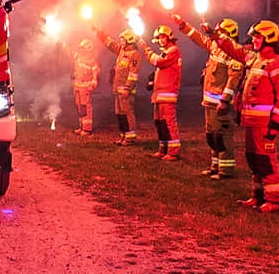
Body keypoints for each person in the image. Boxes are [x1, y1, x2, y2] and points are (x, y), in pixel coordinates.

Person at [212, 20, 279, 213]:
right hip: (251, 121)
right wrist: (216, 36)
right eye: (253, 37)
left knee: (265, 160)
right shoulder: (255, 58)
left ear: (269, 39)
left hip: (264, 124)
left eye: (258, 37)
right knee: (253, 159)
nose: (253, 40)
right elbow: (234, 49)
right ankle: (257, 196)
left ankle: (273, 200)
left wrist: (275, 126)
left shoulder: (277, 64)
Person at [171, 13, 243, 178]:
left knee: (223, 136)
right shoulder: (215, 47)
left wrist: (225, 101)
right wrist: (182, 23)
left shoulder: (235, 55)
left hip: (221, 103)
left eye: (220, 32)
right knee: (212, 135)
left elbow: (233, 81)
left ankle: (226, 170)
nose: (216, 35)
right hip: (209, 102)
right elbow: (198, 37)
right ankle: (215, 166)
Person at [92, 26, 142, 145]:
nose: (121, 42)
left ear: (130, 40)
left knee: (127, 113)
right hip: (118, 90)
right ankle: (123, 136)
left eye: (123, 40)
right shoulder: (121, 51)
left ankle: (130, 138)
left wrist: (128, 88)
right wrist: (99, 32)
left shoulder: (135, 54)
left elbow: (133, 74)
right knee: (119, 114)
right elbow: (109, 43)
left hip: (126, 90)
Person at [139, 26, 183, 161]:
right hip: (160, 94)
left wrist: (145, 48)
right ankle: (163, 149)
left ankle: (173, 151)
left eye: (163, 37)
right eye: (159, 38)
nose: (161, 40)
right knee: (159, 123)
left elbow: (158, 62)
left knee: (168, 122)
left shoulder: (173, 50)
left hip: (168, 93)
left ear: (169, 37)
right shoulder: (166, 51)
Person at [67, 39, 100, 135]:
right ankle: (81, 126)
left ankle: (87, 129)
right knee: (80, 107)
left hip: (85, 87)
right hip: (77, 87)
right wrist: (62, 43)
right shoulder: (78, 57)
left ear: (88, 49)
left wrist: (92, 86)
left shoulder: (93, 62)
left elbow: (95, 77)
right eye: (80, 48)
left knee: (86, 108)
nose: (81, 50)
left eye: (83, 48)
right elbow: (69, 52)